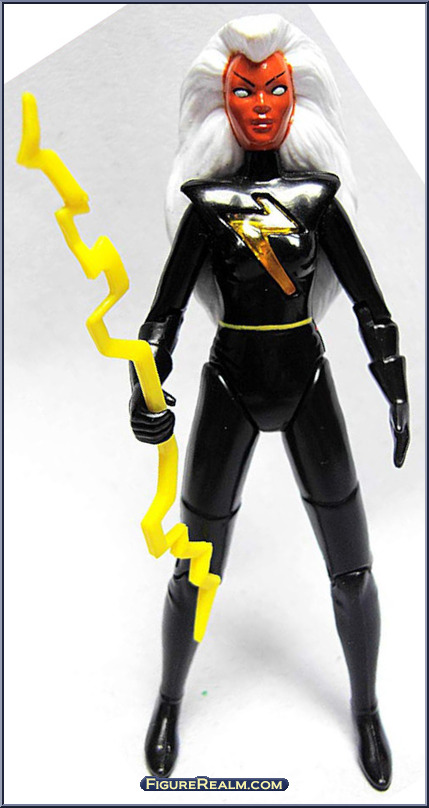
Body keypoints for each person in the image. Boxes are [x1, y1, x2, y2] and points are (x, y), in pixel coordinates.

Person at [129, 14, 409, 790]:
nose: (259, 105)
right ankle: (169, 701)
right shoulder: (206, 204)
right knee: (195, 565)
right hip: (229, 384)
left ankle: (364, 709)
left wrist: (394, 388)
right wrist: (143, 388)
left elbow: (370, 306)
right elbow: (161, 318)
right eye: (244, 91)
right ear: (220, 101)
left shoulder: (317, 199)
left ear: (298, 96)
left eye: (275, 89)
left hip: (305, 380)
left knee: (351, 566)